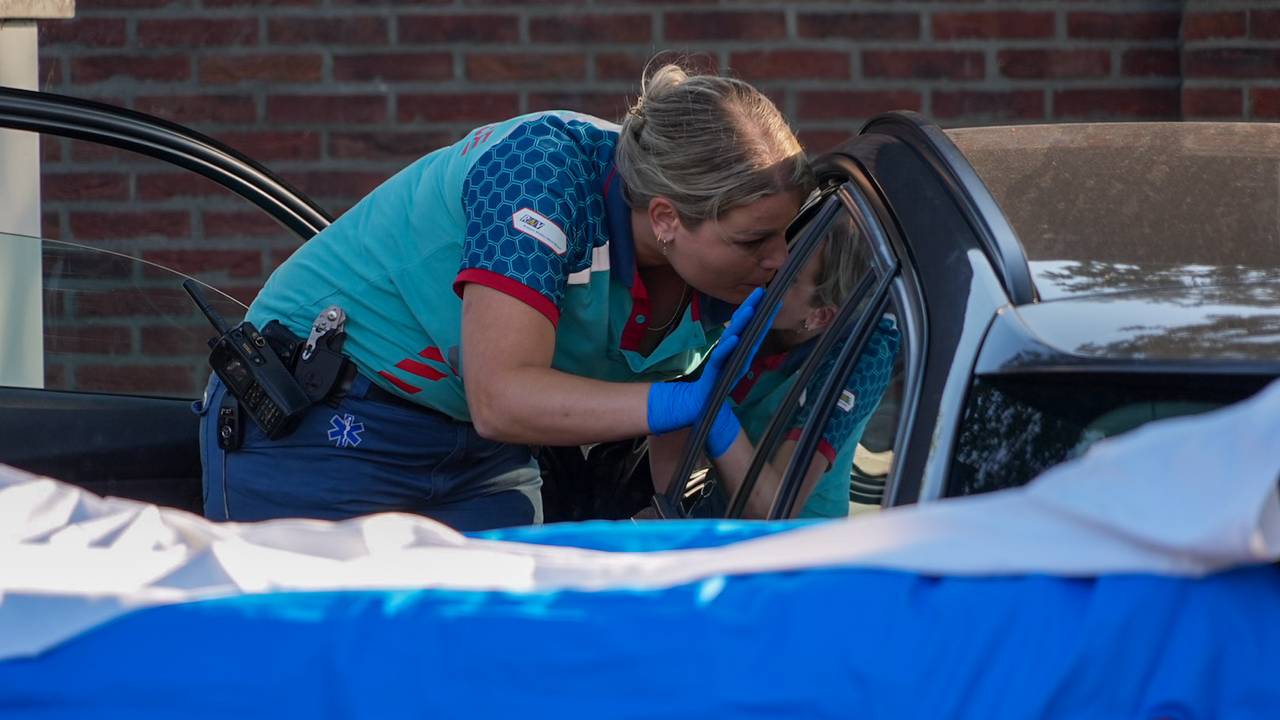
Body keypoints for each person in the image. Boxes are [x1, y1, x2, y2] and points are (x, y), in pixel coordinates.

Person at [194, 63, 815, 531]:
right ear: (666, 218)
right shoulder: (539, 173)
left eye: (786, 232)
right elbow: (501, 397)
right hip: (329, 413)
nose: (781, 258)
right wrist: (673, 401)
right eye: (755, 238)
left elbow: (672, 477)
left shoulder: (725, 270)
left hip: (480, 445)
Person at [649, 215, 900, 519]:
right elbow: (672, 447)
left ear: (819, 316)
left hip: (795, 548)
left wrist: (713, 415)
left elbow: (775, 508)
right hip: (717, 514)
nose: (770, 273)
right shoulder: (751, 313)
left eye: (790, 277)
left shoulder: (859, 361)